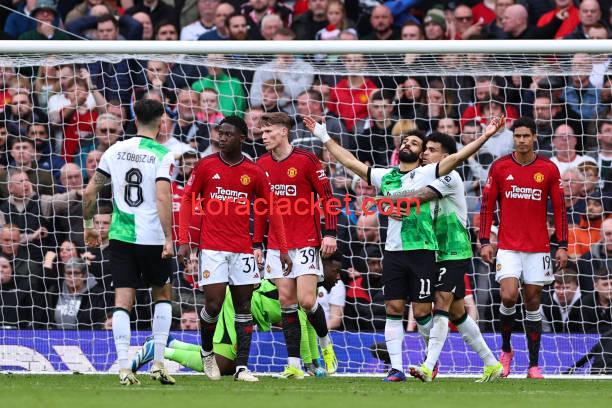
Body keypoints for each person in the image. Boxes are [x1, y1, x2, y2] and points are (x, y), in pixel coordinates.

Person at [303, 114, 505, 382]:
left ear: (423, 155)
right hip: (401, 252)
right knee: (423, 309)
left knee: (430, 310)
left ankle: (429, 364)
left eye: (417, 143)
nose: (409, 144)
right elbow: (350, 161)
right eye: (405, 141)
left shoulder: (434, 173)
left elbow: (439, 177)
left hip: (436, 250)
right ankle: (405, 368)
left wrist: (486, 135)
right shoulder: (386, 176)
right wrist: (323, 135)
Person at [176, 115, 292, 382]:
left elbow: (272, 210)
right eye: (220, 133)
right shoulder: (206, 166)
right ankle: (207, 353)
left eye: (228, 134)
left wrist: (283, 248)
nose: (222, 138)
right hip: (213, 248)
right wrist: (184, 240)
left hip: (243, 250)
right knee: (214, 304)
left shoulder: (253, 171)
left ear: (242, 137)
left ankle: (242, 368)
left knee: (244, 307)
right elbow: (186, 201)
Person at [381, 132, 502, 383]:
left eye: (431, 150)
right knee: (457, 312)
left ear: (445, 157)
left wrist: (384, 201)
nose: (424, 153)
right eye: (424, 149)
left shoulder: (448, 176)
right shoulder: (426, 174)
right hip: (435, 251)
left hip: (454, 250)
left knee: (441, 303)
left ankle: (428, 366)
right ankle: (492, 363)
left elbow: (417, 197)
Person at [82, 99, 176, 386]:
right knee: (162, 295)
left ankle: (124, 367)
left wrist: (88, 227)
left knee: (123, 300)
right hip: (151, 237)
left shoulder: (114, 150)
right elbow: (162, 197)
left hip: (120, 236)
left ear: (134, 120)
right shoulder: (164, 154)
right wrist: (169, 237)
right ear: (161, 121)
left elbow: (88, 194)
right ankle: (158, 363)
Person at [479, 116, 569, 379]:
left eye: (525, 136)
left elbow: (560, 210)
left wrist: (562, 245)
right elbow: (487, 207)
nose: (521, 140)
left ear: (534, 138)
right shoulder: (499, 167)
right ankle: (506, 351)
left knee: (532, 301)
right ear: (513, 138)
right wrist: (485, 240)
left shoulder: (549, 169)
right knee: (508, 296)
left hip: (538, 247)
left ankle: (533, 364)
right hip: (507, 246)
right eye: (517, 136)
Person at [256, 112, 338, 379]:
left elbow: (328, 198)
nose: (263, 136)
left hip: (305, 240)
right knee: (286, 302)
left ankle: (326, 345)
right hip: (276, 246)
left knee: (306, 301)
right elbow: (259, 208)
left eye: (268, 131)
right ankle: (294, 364)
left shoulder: (306, 160)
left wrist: (330, 232)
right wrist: (257, 243)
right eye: (262, 132)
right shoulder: (261, 164)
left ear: (283, 131)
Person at [131, 280, 326, 376]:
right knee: (220, 364)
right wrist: (309, 365)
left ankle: (170, 343)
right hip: (237, 305)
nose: (336, 277)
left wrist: (315, 363)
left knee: (227, 366)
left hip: (246, 307)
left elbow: (308, 328)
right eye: (334, 272)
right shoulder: (302, 292)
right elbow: (300, 328)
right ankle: (157, 350)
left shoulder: (307, 293)